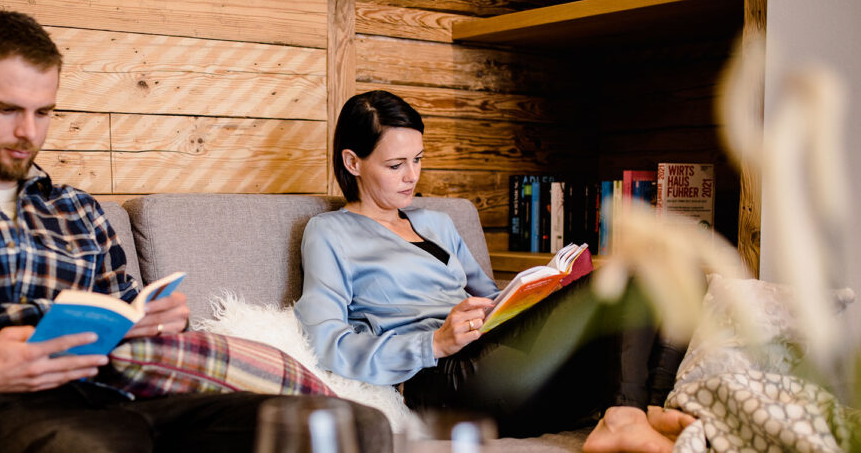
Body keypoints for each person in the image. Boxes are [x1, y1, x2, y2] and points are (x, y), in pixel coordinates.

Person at [0, 10, 390, 453]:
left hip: (119, 400)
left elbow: (128, 324)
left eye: (44, 112)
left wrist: (158, 320)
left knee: (348, 427)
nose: (27, 132)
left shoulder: (78, 212)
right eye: (8, 109)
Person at [294, 90, 694, 452]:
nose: (412, 176)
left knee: (680, 265)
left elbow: (492, 298)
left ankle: (644, 406)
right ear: (353, 162)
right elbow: (326, 342)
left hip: (495, 352)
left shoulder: (437, 223)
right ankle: (624, 415)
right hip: (440, 377)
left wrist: (546, 292)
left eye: (417, 160)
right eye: (396, 164)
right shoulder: (330, 233)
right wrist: (434, 343)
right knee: (629, 274)